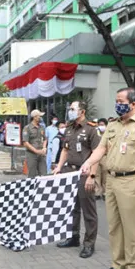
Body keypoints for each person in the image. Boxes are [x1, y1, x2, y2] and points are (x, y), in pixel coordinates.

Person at [80, 88, 135, 269]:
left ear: (133, 104)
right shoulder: (113, 125)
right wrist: (89, 163)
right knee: (115, 227)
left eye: (121, 101)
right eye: (116, 101)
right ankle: (118, 265)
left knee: (131, 228)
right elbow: (101, 148)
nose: (117, 104)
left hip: (132, 181)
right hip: (112, 181)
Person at [53, 102, 100, 258]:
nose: (70, 111)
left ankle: (89, 243)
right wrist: (59, 167)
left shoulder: (91, 129)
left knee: (88, 211)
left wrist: (92, 177)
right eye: (70, 109)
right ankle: (73, 237)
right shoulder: (69, 128)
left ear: (82, 111)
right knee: (72, 208)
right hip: (69, 172)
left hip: (84, 173)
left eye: (73, 109)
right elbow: (65, 150)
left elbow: (96, 155)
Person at [22, 109, 47, 178]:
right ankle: (31, 188)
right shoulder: (27, 128)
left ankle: (42, 188)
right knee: (32, 175)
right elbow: (25, 143)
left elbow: (45, 139)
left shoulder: (42, 127)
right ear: (35, 117)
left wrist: (44, 147)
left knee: (44, 174)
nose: (40, 118)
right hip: (31, 154)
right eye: (39, 116)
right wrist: (36, 151)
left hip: (41, 153)